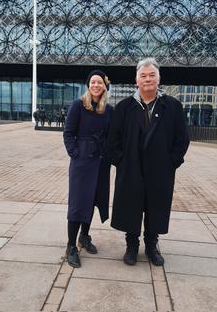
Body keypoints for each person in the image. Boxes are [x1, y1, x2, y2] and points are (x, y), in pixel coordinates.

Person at [107, 58, 190, 267]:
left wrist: (171, 162)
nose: (148, 79)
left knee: (155, 209)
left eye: (152, 75)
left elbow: (182, 139)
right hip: (131, 170)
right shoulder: (124, 107)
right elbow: (112, 141)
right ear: (136, 80)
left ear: (159, 78)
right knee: (131, 208)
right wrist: (123, 162)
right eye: (143, 76)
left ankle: (152, 247)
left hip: (160, 171)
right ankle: (132, 246)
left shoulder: (172, 106)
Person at [63, 70, 113, 268]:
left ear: (104, 86)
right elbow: (68, 133)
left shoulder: (108, 110)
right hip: (82, 162)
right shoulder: (78, 105)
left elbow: (113, 135)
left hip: (101, 162)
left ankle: (84, 236)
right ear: (88, 85)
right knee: (78, 202)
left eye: (99, 82)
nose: (96, 85)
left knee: (92, 200)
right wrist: (75, 153)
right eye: (93, 82)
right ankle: (70, 245)